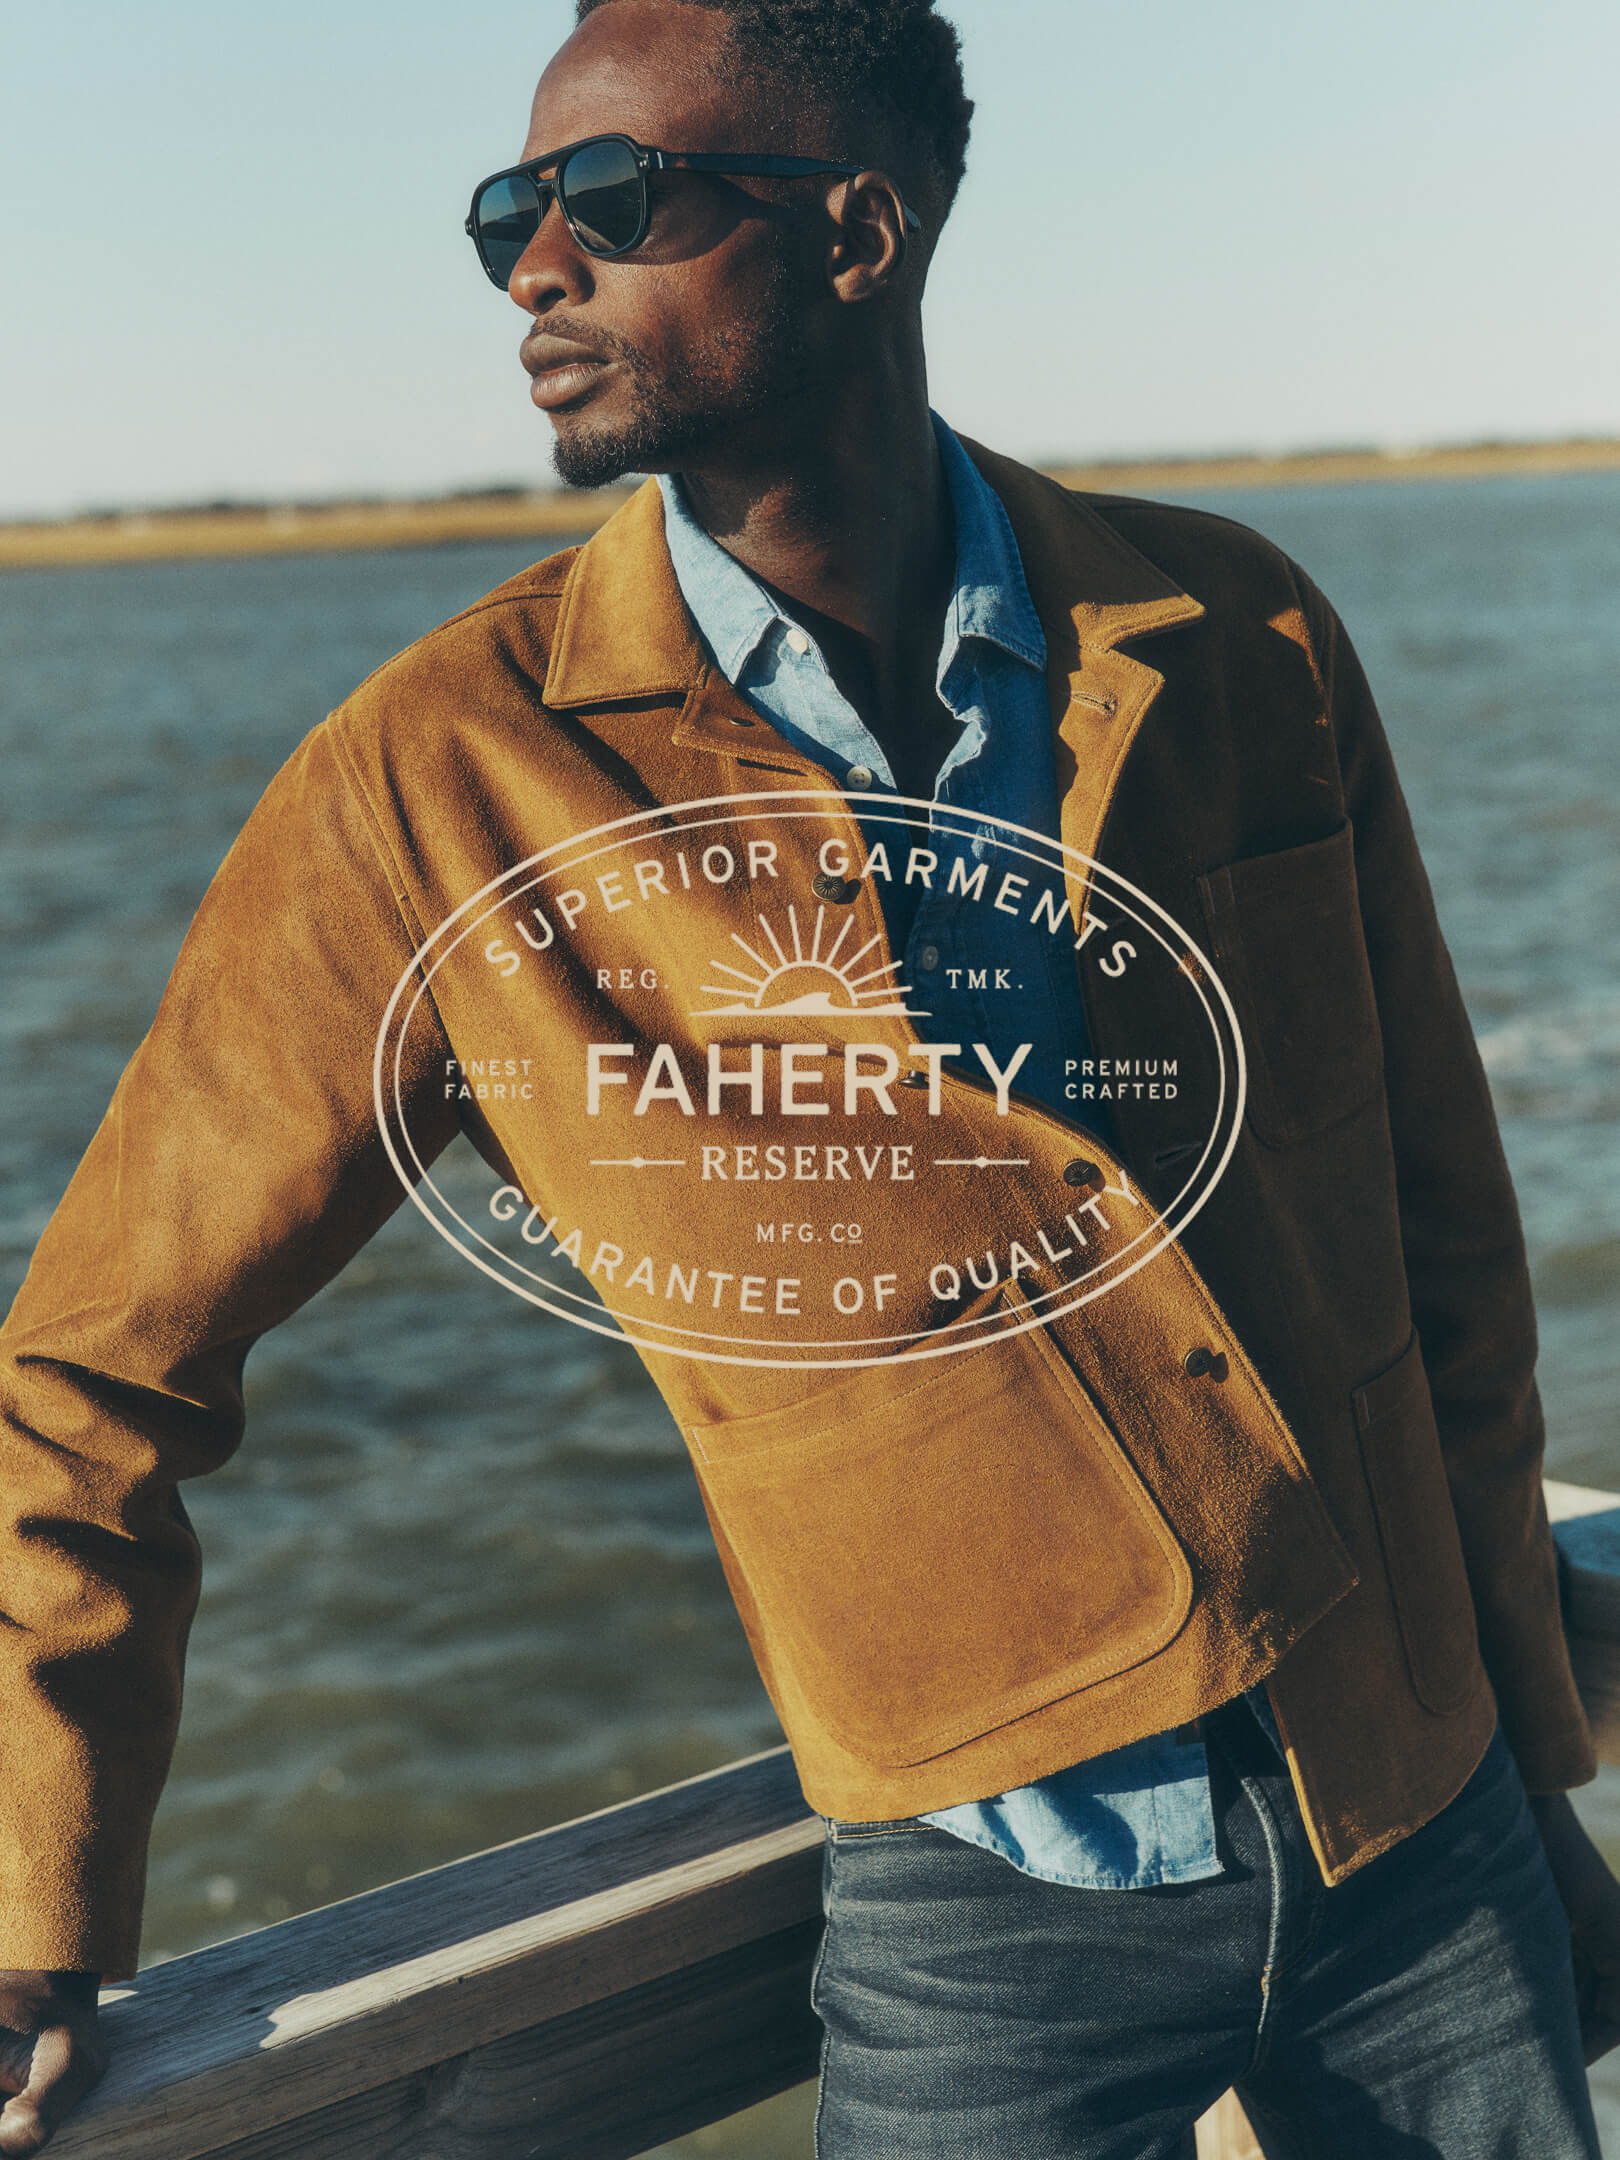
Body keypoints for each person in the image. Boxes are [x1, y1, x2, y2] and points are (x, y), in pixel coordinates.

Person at [3, 1, 1618, 2152]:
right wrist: (33, 1903)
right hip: (986, 1917)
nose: (535, 273)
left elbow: (1443, 1240)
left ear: (857, 234)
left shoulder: (1237, 634)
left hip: (1422, 1831)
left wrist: (1528, 1735)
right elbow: (95, 1367)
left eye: (610, 201)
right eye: (507, 216)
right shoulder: (443, 781)